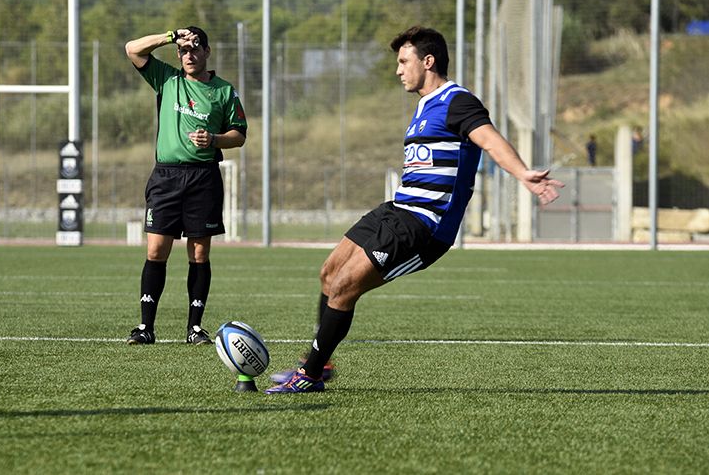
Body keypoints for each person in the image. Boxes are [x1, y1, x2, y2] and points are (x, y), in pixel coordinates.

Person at [266, 26, 564, 393]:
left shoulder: (458, 101)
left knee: (344, 288)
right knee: (328, 274)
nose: (398, 70)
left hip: (424, 227)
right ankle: (322, 363)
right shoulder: (423, 106)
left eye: (403, 61)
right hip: (396, 209)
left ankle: (309, 375)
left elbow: (489, 139)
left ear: (428, 61)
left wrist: (523, 174)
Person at [124, 26, 248, 345]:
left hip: (203, 178)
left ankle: (194, 328)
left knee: (199, 254)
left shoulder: (223, 91)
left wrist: (215, 139)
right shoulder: (167, 79)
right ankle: (145, 327)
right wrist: (169, 37)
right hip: (166, 177)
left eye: (195, 48)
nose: (188, 55)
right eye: (183, 51)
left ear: (207, 52)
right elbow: (132, 49)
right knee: (156, 250)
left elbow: (240, 135)